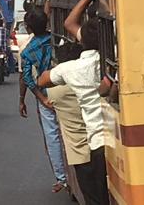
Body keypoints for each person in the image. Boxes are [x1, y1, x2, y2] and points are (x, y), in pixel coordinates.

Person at [38, 18, 109, 205]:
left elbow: (41, 81)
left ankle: (61, 178)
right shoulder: (111, 61)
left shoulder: (66, 77)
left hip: (87, 148)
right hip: (109, 138)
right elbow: (71, 24)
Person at [19, 8, 67, 193]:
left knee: (52, 135)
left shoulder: (28, 51)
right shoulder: (57, 38)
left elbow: (28, 79)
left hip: (47, 93)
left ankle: (61, 179)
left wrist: (41, 99)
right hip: (67, 86)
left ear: (29, 28)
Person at [46, 41, 95, 204]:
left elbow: (41, 81)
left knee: (91, 195)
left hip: (79, 154)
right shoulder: (91, 81)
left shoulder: (54, 91)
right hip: (99, 145)